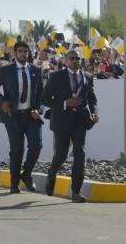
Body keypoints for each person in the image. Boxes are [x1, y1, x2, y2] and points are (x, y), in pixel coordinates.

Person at [41, 50, 98, 203]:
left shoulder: (87, 77)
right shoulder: (56, 76)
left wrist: (94, 113)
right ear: (65, 60)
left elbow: (92, 99)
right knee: (61, 154)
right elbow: (45, 99)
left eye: (78, 58)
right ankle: (52, 173)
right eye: (72, 58)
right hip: (62, 121)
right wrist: (66, 103)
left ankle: (76, 193)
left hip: (80, 121)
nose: (75, 61)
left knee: (80, 153)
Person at [0, 41, 43, 194]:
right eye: (20, 51)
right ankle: (14, 183)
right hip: (13, 116)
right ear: (14, 53)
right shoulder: (5, 70)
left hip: (30, 115)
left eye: (25, 51)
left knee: (36, 145)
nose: (23, 54)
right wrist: (2, 103)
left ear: (29, 53)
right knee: (17, 150)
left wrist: (38, 110)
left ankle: (26, 175)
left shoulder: (36, 70)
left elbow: (41, 92)